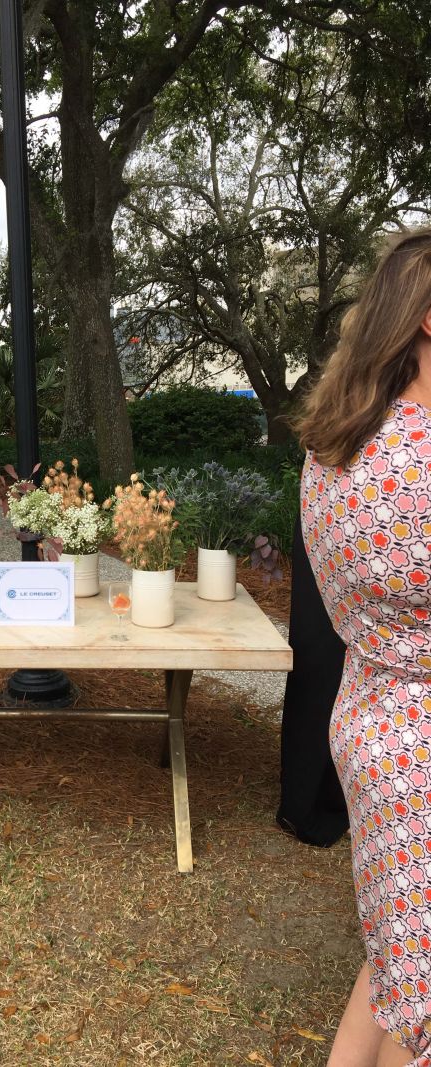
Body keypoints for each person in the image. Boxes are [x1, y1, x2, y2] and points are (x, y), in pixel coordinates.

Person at [296, 227, 431, 1067]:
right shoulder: (420, 460)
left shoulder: (340, 445)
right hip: (421, 751)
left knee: (395, 964)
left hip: (370, 721)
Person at [277, 513, 349, 848]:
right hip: (345, 508)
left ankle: (320, 796)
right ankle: (309, 799)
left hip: (336, 506)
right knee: (321, 652)